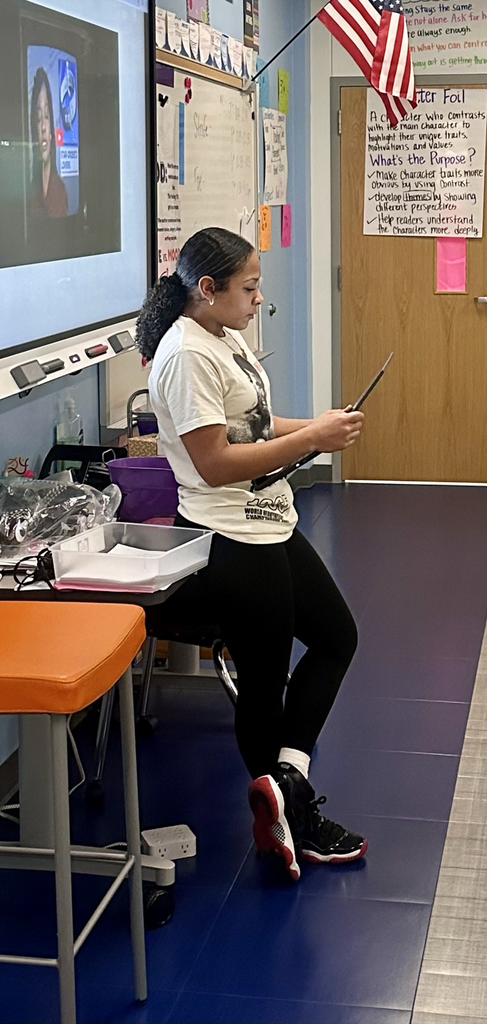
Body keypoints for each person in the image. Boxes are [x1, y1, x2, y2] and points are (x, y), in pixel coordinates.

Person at [136, 227, 367, 882]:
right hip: (229, 537)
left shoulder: (223, 335)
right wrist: (311, 441)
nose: (258, 299)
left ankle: (284, 778)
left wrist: (316, 425)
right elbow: (213, 463)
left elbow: (251, 426)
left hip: (270, 521)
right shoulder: (184, 355)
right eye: (248, 288)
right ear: (205, 290)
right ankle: (291, 818)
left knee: (334, 637)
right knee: (264, 682)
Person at [30, 67, 68, 218]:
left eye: (46, 116)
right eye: (39, 119)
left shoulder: (60, 191)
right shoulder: (29, 194)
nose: (43, 128)